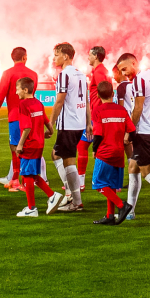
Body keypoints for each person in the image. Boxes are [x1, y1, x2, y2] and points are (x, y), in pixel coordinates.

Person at [115, 53, 150, 218]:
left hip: (143, 132)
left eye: (125, 69)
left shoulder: (139, 79)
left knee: (148, 172)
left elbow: (138, 108)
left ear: (134, 63)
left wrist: (129, 132)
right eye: (121, 71)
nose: (124, 74)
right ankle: (130, 211)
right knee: (133, 167)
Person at [46, 42, 91, 213]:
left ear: (66, 56)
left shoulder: (64, 75)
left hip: (68, 123)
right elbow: (85, 100)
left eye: (56, 54)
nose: (54, 57)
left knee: (68, 160)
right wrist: (87, 123)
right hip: (78, 123)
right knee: (57, 154)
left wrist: (50, 123)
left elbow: (59, 100)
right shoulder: (80, 74)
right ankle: (72, 195)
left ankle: (75, 200)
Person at [87, 79, 135, 225]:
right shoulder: (122, 110)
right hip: (119, 152)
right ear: (112, 93)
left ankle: (122, 206)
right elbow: (132, 129)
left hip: (105, 152)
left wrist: (94, 150)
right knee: (111, 185)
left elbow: (98, 134)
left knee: (99, 184)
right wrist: (126, 140)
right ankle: (109, 216)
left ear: (98, 96)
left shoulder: (98, 110)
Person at [0, 47, 38, 188]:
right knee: (29, 147)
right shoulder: (33, 74)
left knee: (15, 147)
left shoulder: (8, 73)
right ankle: (27, 179)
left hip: (16, 117)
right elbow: (32, 96)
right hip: (31, 116)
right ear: (25, 57)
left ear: (13, 58)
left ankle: (17, 180)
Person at [12, 77, 54, 217]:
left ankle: (32, 208)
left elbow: (27, 127)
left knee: (27, 175)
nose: (16, 92)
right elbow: (46, 121)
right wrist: (50, 131)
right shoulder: (38, 103)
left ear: (25, 89)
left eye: (18, 89)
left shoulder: (23, 105)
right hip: (39, 143)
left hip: (29, 145)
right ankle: (52, 196)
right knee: (33, 174)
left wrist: (20, 144)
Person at [75, 46, 110, 181]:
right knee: (101, 147)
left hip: (97, 115)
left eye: (90, 55)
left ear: (96, 56)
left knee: (82, 145)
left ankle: (81, 181)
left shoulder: (99, 72)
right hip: (100, 115)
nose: (88, 57)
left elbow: (105, 94)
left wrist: (97, 116)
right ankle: (108, 179)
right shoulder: (101, 71)